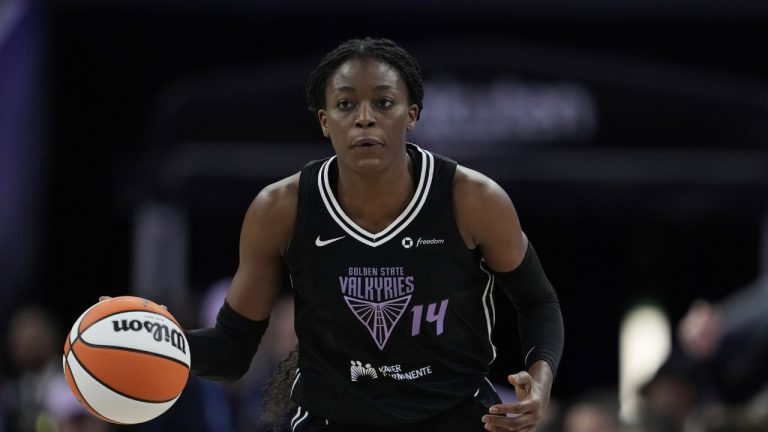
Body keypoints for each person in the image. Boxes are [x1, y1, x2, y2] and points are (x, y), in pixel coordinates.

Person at [184, 37, 564, 431]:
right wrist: (162, 341)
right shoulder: (281, 208)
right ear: (324, 121)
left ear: (411, 115)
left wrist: (541, 382)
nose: (364, 118)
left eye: (383, 102)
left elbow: (538, 301)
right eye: (346, 104)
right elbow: (232, 351)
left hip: (454, 415)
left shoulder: (472, 199)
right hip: (331, 420)